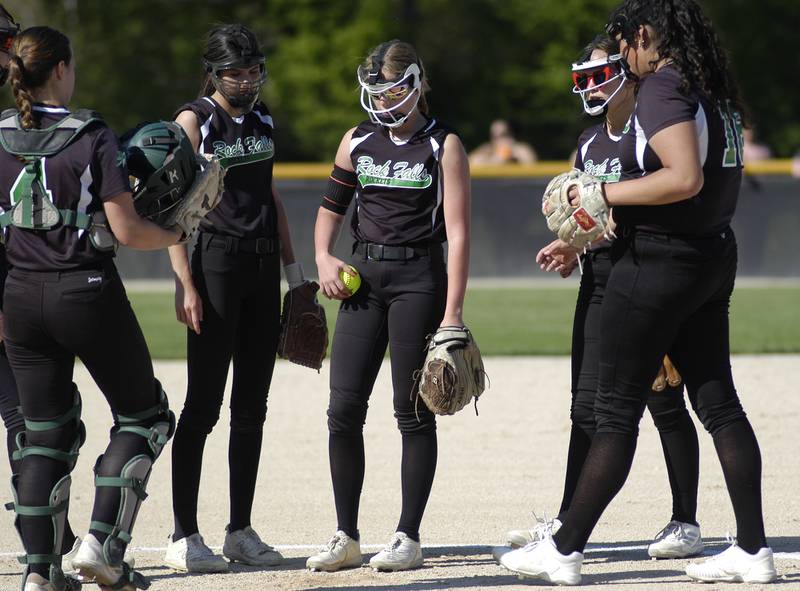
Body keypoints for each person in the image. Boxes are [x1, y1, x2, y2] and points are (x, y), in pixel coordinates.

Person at [500, 0, 775, 585]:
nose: (625, 56)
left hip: (659, 262)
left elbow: (682, 178)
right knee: (719, 403)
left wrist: (600, 191)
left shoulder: (663, 86)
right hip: (710, 254)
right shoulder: (713, 88)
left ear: (643, 35)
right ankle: (754, 551)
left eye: (624, 43)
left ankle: (566, 550)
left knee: (614, 410)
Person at [505, 34, 703, 560]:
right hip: (601, 280)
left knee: (665, 398)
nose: (592, 85)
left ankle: (685, 519)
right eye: (585, 76)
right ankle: (569, 523)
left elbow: (665, 198)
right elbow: (589, 218)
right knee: (585, 407)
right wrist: (570, 244)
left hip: (647, 276)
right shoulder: (590, 142)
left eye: (601, 73)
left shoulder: (650, 132)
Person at [2, 25, 182, 591]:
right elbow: (127, 231)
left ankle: (39, 573)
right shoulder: (91, 134)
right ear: (59, 69)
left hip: (20, 297)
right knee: (144, 417)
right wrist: (177, 231)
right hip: (84, 290)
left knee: (42, 436)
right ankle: (103, 545)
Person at [307, 39, 470, 572]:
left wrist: (452, 315)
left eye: (394, 87)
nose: (383, 99)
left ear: (417, 83)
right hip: (364, 280)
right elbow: (330, 208)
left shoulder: (443, 144)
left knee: (412, 411)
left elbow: (460, 235)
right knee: (342, 410)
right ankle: (346, 535)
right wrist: (323, 259)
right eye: (376, 89)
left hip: (419, 278)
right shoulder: (356, 140)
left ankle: (408, 536)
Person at [164, 23, 302, 572]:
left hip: (263, 267)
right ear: (213, 73)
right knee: (202, 405)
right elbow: (169, 206)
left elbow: (269, 194)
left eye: (252, 71)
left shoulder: (263, 118)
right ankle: (183, 534)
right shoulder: (194, 120)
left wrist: (295, 272)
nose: (245, 81)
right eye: (234, 73)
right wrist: (185, 283)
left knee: (252, 406)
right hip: (216, 264)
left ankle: (239, 530)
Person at [468, 119, 537, 165]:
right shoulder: (487, 149)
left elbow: (531, 163)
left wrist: (513, 158)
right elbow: (470, 162)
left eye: (504, 135)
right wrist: (494, 160)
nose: (500, 139)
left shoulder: (520, 149)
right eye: (495, 136)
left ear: (511, 135)